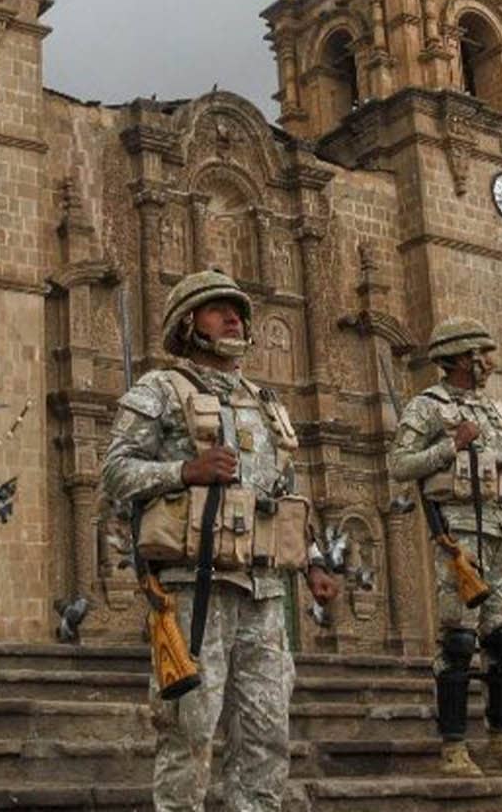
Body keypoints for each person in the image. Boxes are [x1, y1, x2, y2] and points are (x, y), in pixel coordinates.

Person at [101, 269, 341, 812]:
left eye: (239, 311)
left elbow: (288, 493)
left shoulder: (266, 402)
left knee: (266, 736)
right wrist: (185, 470)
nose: (235, 318)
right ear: (189, 323)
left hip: (265, 595)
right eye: (219, 309)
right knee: (189, 731)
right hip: (195, 588)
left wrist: (314, 564)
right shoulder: (160, 390)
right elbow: (115, 471)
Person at [388, 317, 502, 778]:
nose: (489, 361)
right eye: (481, 352)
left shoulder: (498, 413)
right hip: (458, 535)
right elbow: (401, 464)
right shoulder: (426, 408)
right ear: (460, 357)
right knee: (459, 640)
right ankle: (455, 748)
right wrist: (449, 446)